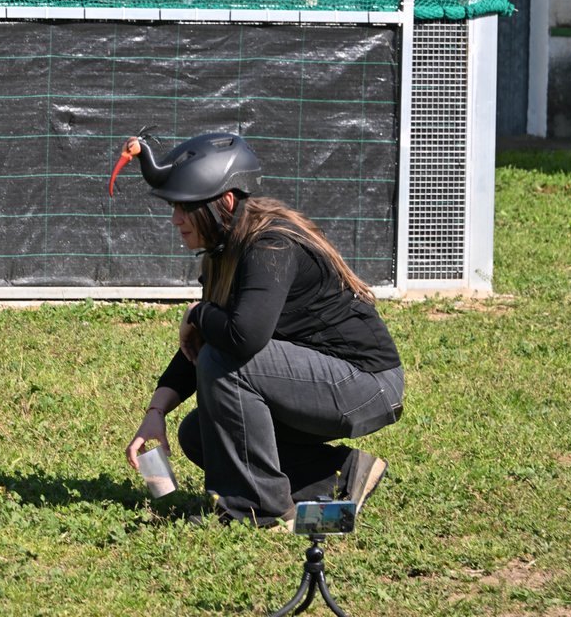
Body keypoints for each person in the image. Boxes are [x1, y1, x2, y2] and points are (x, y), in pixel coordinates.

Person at [117, 131, 404, 528]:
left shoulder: (270, 246)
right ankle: (341, 473)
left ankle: (256, 509)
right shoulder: (224, 248)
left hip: (366, 384)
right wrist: (156, 412)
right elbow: (206, 343)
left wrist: (198, 315)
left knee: (224, 359)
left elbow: (241, 338)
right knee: (200, 433)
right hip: (321, 380)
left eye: (185, 208)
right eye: (174, 207)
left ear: (226, 202)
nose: (175, 219)